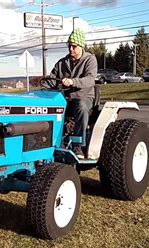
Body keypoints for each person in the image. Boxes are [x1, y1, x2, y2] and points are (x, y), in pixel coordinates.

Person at [49, 29, 98, 159]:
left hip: (84, 96)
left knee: (81, 106)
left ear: (81, 46)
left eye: (74, 46)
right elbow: (52, 79)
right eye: (69, 46)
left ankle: (78, 146)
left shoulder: (90, 60)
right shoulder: (62, 63)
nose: (70, 49)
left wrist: (72, 81)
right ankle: (51, 143)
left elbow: (90, 79)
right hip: (65, 99)